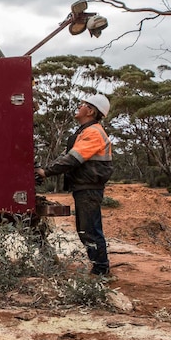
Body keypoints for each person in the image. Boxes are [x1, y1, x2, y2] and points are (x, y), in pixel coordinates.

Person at [36, 94, 113, 276]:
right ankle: (99, 267)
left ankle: (101, 270)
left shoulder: (93, 132)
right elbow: (67, 156)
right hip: (84, 187)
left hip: (89, 188)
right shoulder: (84, 132)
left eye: (83, 104)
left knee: (90, 230)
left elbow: (72, 159)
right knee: (87, 229)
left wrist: (46, 172)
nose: (79, 106)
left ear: (91, 111)